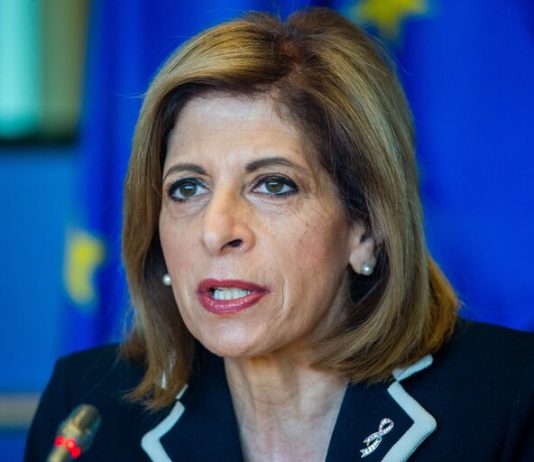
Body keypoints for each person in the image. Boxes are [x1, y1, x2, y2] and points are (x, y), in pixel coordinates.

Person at [25, 8, 534, 462]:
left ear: (366, 227)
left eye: (273, 185)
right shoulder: (87, 409)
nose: (215, 231)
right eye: (187, 188)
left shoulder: (509, 399)